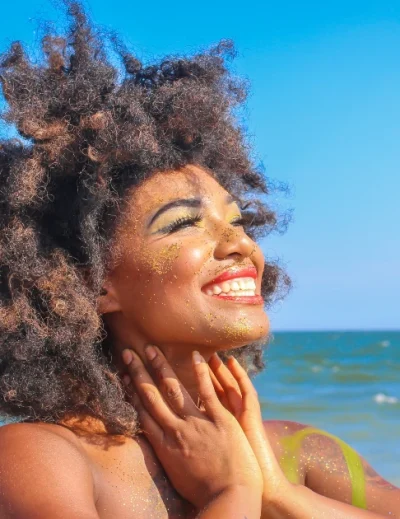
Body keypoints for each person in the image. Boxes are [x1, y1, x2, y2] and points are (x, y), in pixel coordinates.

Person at [0, 2, 398, 517]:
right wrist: (229, 495)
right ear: (91, 283)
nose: (240, 245)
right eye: (183, 223)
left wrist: (278, 495)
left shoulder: (299, 453)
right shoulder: (41, 459)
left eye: (238, 222)